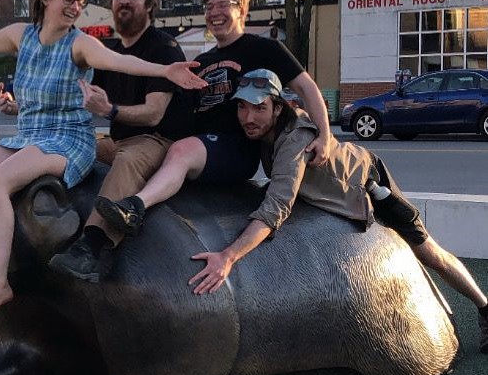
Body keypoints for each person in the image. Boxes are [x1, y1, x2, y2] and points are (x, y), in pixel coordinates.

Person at [0, 0, 206, 320]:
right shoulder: (20, 36)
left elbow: (120, 61)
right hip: (28, 134)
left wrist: (165, 71)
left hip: (67, 139)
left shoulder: (80, 44)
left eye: (81, 2)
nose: (75, 7)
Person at [186, 68, 488, 353]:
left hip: (366, 182)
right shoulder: (260, 134)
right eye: (242, 108)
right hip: (315, 193)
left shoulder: (295, 139)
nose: (248, 117)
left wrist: (228, 256)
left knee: (429, 253)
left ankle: (484, 306)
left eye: (258, 108)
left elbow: (277, 205)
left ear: (278, 108)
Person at [93, 0, 331, 245]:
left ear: (241, 9)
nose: (214, 13)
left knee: (182, 150)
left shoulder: (264, 48)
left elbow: (307, 88)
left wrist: (324, 135)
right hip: (200, 147)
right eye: (208, 7)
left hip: (234, 149)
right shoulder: (201, 61)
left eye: (223, 5)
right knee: (100, 150)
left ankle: (135, 207)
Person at [44, 0, 193, 281]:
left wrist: (110, 111)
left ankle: (92, 247)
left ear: (149, 4)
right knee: (70, 152)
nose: (124, 1)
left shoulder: (163, 48)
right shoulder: (110, 52)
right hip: (118, 140)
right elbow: (70, 97)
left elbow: (153, 114)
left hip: (157, 140)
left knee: (127, 161)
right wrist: (17, 108)